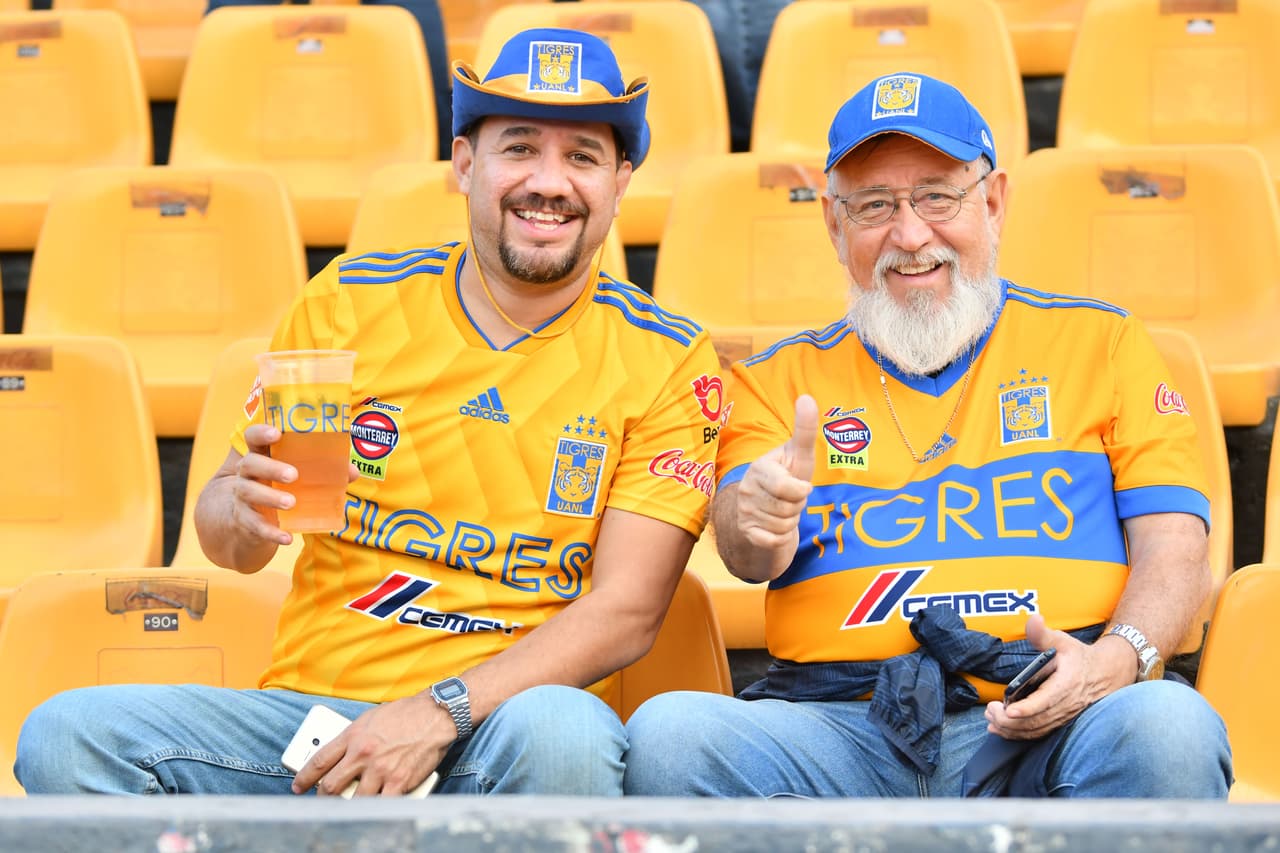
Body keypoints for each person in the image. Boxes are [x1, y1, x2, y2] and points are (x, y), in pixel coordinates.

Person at [16, 27, 722, 797]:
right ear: (463, 163)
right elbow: (228, 538)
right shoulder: (352, 299)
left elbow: (626, 612)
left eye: (582, 156)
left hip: (504, 731)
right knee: (66, 735)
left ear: (621, 181)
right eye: (519, 148)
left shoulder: (668, 356)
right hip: (310, 725)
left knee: (567, 731)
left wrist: (436, 711)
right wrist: (239, 512)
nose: (548, 181)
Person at [623, 72, 1233, 798]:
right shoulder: (773, 379)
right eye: (874, 205)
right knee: (670, 735)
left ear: (995, 201)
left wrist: (1118, 658)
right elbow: (745, 549)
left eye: (938, 196)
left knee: (1169, 725)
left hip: (1052, 714)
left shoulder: (1100, 341)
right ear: (832, 223)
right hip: (839, 727)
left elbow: (1175, 544)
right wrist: (752, 519)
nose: (910, 235)